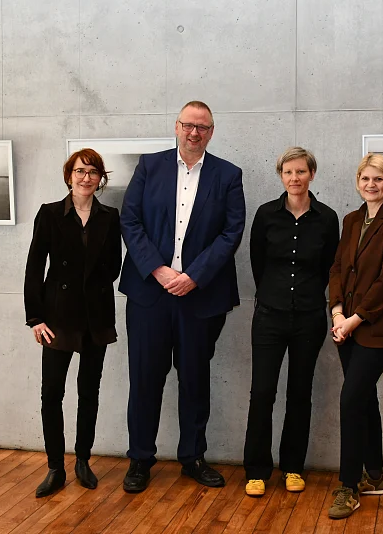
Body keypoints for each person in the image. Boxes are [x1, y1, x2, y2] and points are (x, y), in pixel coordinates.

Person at [119, 100, 246, 492]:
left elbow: (232, 231)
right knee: (144, 379)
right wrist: (159, 270)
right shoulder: (149, 165)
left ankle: (192, 457)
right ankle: (140, 459)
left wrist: (192, 276)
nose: (195, 133)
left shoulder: (228, 174)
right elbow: (130, 219)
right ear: (176, 127)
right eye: (189, 125)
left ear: (212, 131)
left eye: (203, 127)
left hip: (200, 296)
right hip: (149, 294)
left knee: (195, 380)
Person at [23, 148, 122, 498]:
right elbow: (35, 267)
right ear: (69, 175)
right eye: (80, 171)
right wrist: (35, 318)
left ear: (100, 179)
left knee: (88, 392)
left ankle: (82, 460)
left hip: (95, 317)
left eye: (93, 172)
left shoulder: (110, 216)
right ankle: (54, 467)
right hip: (57, 317)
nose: (86, 177)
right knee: (51, 392)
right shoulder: (50, 214)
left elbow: (114, 267)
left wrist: (90, 283)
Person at [242, 147, 340, 497]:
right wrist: (274, 294)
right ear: (280, 176)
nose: (295, 178)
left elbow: (330, 265)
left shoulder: (327, 218)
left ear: (312, 174)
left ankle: (293, 468)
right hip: (269, 315)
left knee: (300, 393)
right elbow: (258, 262)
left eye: (301, 172)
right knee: (262, 393)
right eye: (288, 172)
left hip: (309, 318)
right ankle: (256, 470)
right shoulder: (266, 215)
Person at [326, 153, 383, 519]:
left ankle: (348, 487)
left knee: (351, 400)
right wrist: (336, 312)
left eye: (379, 179)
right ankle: (374, 475)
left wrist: (355, 319)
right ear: (358, 181)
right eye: (365, 178)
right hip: (345, 323)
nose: (371, 185)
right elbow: (336, 268)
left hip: (378, 327)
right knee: (364, 398)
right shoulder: (350, 220)